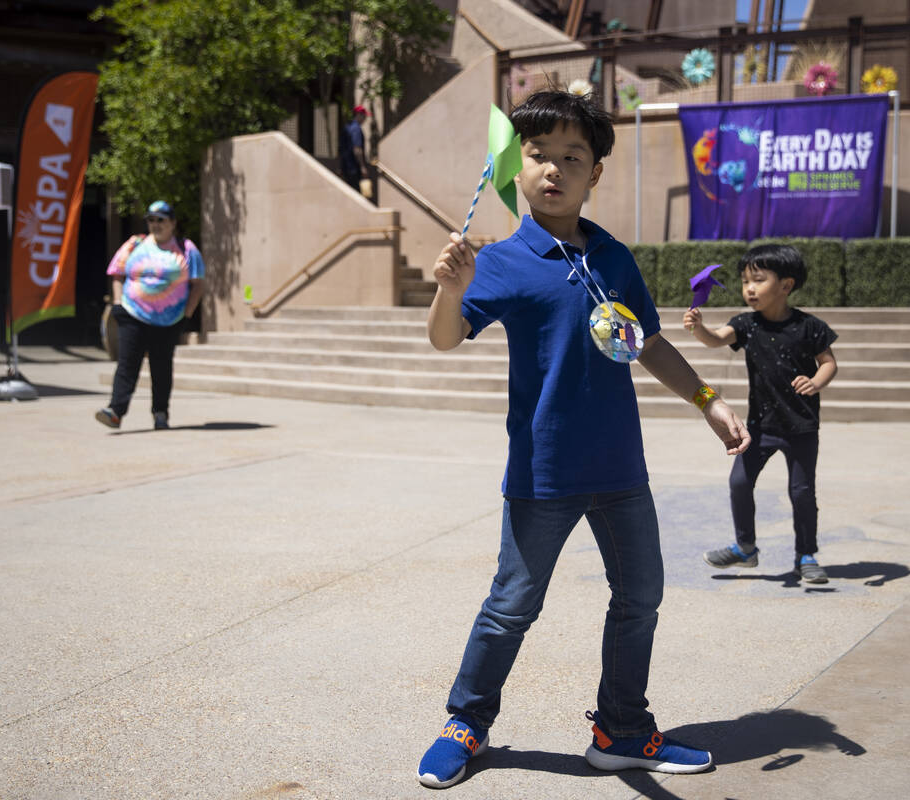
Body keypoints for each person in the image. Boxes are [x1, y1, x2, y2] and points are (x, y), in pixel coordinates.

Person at [417, 90, 751, 790]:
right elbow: (445, 338)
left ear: (594, 173)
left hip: (621, 468)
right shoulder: (501, 260)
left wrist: (710, 401)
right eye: (538, 155)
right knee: (512, 604)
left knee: (640, 599)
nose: (553, 170)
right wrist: (451, 289)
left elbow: (647, 343)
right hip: (542, 472)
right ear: (517, 167)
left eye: (572, 157)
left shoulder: (614, 258)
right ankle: (466, 723)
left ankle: (622, 730)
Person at [683, 244, 839, 584]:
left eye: (758, 280)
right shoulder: (747, 324)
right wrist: (698, 328)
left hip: (800, 427)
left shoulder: (810, 327)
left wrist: (815, 382)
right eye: (744, 281)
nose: (749, 288)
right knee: (739, 482)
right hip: (760, 426)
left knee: (801, 492)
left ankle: (806, 554)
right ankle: (746, 547)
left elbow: (829, 363)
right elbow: (716, 339)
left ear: (786, 285)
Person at [95, 201, 206, 431]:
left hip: (169, 320)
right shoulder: (135, 244)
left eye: (161, 219)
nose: (155, 224)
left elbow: (198, 285)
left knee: (161, 367)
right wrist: (118, 304)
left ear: (172, 223)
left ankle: (160, 413)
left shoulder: (186, 249)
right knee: (127, 363)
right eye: (151, 219)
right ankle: (116, 410)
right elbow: (117, 273)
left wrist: (186, 315)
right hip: (133, 313)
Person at [339, 104, 372, 198]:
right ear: (358, 115)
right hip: (354, 168)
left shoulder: (347, 127)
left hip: (346, 167)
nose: (365, 119)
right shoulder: (356, 129)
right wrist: (362, 167)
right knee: (357, 195)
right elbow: (357, 148)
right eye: (364, 116)